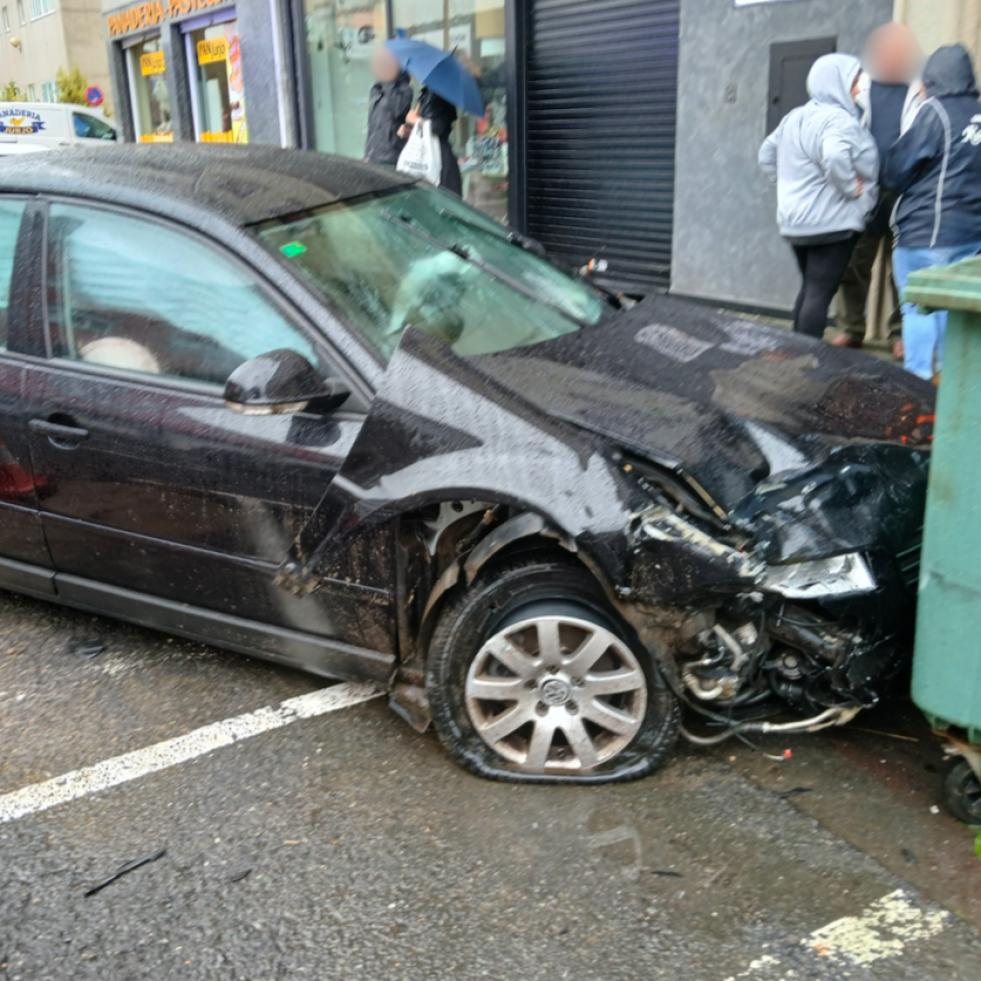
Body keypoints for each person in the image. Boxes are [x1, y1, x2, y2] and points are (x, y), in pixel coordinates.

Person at [759, 54, 880, 340]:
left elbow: (765, 155)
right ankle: (807, 361)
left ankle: (797, 353)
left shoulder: (794, 117)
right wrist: (850, 187)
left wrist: (787, 184)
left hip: (795, 223)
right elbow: (835, 154)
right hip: (831, 225)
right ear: (838, 81)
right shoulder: (839, 119)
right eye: (856, 79)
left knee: (810, 289)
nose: (862, 84)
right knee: (819, 294)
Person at [884, 44, 981, 381]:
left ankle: (918, 380)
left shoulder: (936, 112)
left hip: (928, 231)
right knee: (949, 307)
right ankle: (946, 380)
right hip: (970, 235)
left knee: (918, 307)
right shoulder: (978, 112)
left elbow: (897, 170)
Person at [832, 24, 924, 356]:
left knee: (904, 269)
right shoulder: (856, 90)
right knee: (853, 264)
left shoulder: (922, 90)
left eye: (899, 50)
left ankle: (900, 334)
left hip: (908, 194)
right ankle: (851, 328)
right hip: (865, 194)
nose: (892, 56)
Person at [401, 88, 463, 195]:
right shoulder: (428, 92)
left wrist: (414, 119)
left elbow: (437, 126)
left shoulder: (437, 93)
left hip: (438, 156)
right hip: (433, 153)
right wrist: (411, 127)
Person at [364, 48, 413, 166]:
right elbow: (373, 124)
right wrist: (367, 153)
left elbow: (398, 109)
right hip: (373, 155)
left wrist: (389, 81)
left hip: (391, 156)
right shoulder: (377, 88)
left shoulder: (405, 90)